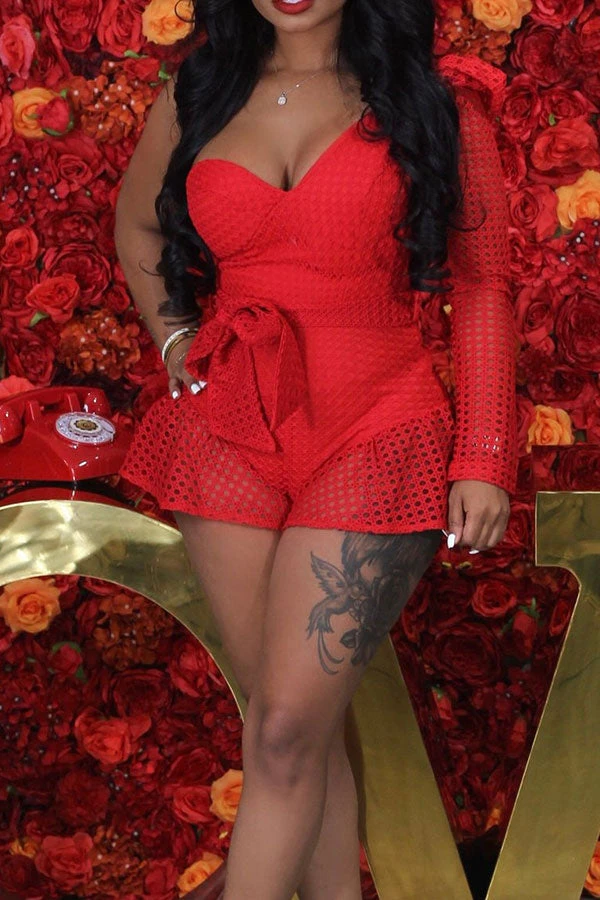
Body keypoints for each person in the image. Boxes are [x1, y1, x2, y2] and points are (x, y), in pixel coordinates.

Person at [115, 0, 518, 897]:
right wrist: (177, 341)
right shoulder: (199, 91)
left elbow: (483, 283)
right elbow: (137, 226)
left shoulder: (438, 101)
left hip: (376, 428)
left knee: (287, 728)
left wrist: (485, 453)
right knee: (291, 727)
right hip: (228, 433)